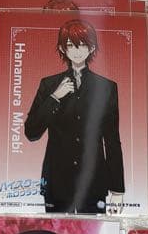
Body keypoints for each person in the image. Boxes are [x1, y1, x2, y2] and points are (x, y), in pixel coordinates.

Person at [24, 18, 124, 214]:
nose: (77, 50)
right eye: (71, 45)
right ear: (63, 48)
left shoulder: (106, 87)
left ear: (92, 47)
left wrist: (117, 189)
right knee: (56, 230)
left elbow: (112, 139)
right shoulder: (49, 84)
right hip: (57, 181)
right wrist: (55, 97)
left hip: (94, 180)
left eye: (83, 44)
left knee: (94, 229)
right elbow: (31, 132)